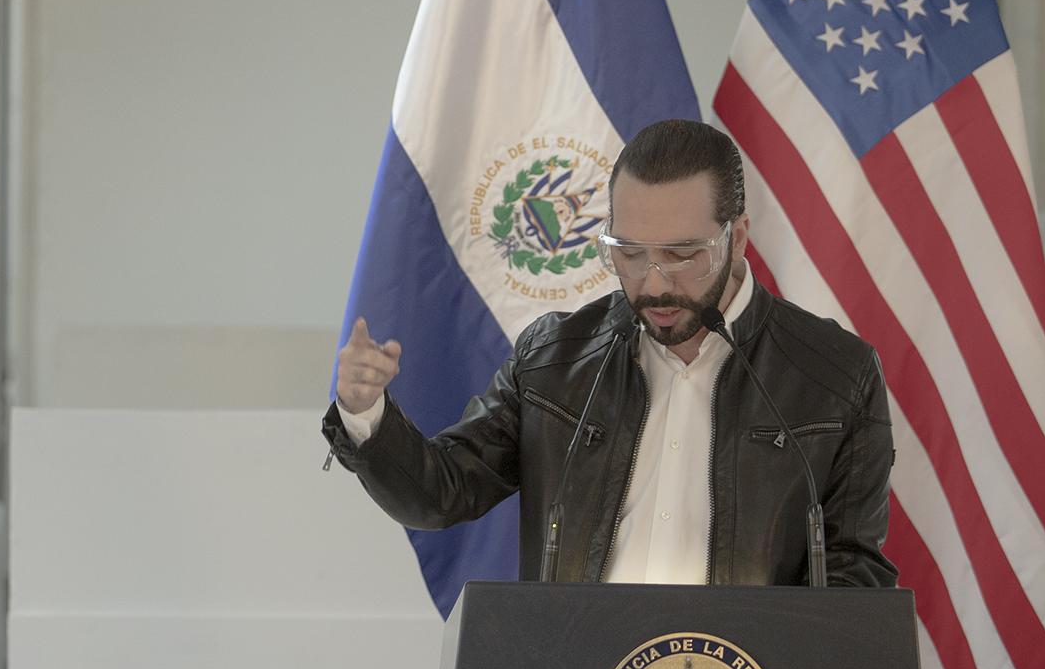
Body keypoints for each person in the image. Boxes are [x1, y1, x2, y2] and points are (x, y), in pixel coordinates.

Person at [321, 118, 896, 587]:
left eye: (681, 253)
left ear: (737, 237)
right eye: (629, 252)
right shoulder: (554, 361)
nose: (653, 282)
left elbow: (852, 578)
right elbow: (439, 492)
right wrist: (364, 411)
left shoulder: (836, 377)